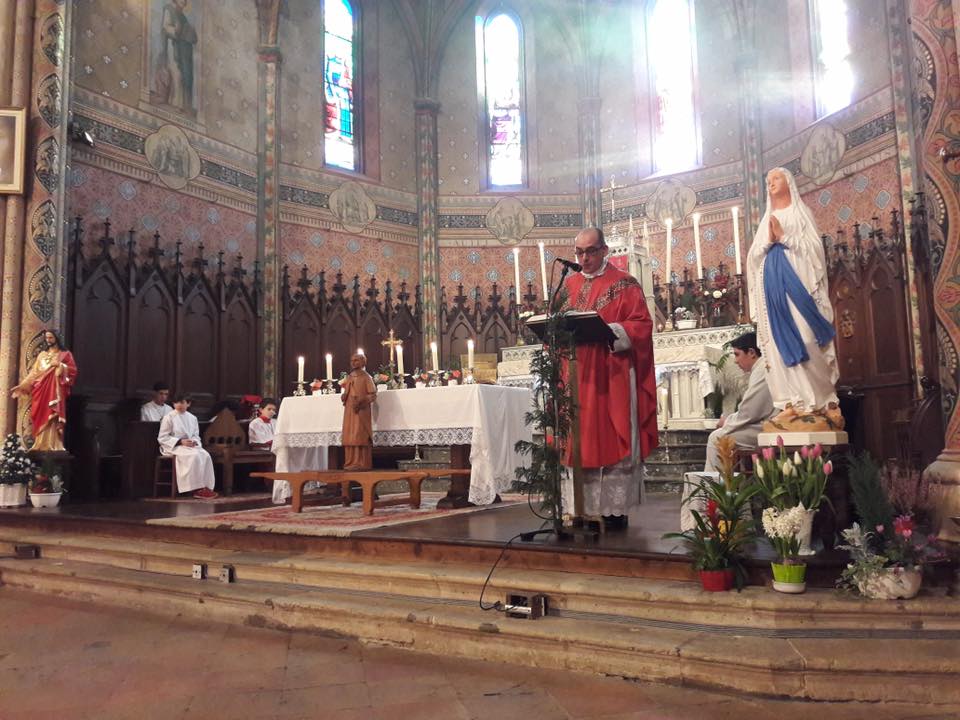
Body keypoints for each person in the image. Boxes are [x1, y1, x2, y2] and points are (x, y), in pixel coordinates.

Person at [560, 227, 658, 529]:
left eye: (590, 251)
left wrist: (611, 331)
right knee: (579, 440)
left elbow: (641, 325)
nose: (584, 258)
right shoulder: (567, 285)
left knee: (614, 436)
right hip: (576, 375)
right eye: (579, 252)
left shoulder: (625, 284)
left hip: (612, 373)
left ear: (604, 250)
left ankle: (614, 511)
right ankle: (581, 508)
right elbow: (557, 326)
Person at [747, 167, 842, 431]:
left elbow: (815, 250)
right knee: (777, 347)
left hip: (798, 288)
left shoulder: (801, 213)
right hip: (773, 292)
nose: (770, 183)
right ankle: (791, 402)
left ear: (789, 182)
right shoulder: (766, 219)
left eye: (776, 178)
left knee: (807, 337)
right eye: (767, 180)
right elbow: (753, 257)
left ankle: (822, 401)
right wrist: (768, 241)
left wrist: (784, 237)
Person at [704, 332, 774, 472]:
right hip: (767, 424)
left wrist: (727, 421)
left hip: (770, 427)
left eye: (737, 354)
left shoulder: (762, 369)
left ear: (752, 352)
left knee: (717, 438)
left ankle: (714, 485)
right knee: (720, 436)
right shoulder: (760, 368)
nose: (735, 361)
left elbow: (750, 411)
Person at [11, 330, 78, 452]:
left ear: (57, 338)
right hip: (41, 390)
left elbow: (72, 371)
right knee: (40, 414)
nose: (48, 340)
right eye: (47, 338)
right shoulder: (42, 355)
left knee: (52, 414)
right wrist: (22, 385)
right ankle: (40, 444)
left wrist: (60, 366)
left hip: (55, 391)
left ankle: (53, 444)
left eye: (51, 337)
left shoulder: (65, 355)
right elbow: (34, 373)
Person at [157, 393, 217, 499]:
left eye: (182, 402)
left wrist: (193, 442)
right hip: (174, 446)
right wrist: (180, 442)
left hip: (189, 446)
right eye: (176, 402)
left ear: (188, 404)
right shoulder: (169, 417)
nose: (179, 405)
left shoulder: (192, 418)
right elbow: (162, 437)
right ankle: (195, 489)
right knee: (194, 456)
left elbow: (195, 435)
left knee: (205, 455)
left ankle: (206, 487)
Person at [341, 352, 377, 471]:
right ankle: (350, 461)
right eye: (352, 360)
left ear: (363, 362)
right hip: (350, 410)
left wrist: (362, 401)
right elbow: (347, 392)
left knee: (360, 434)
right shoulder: (350, 377)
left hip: (361, 410)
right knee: (350, 435)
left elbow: (373, 395)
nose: (353, 362)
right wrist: (344, 396)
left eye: (356, 360)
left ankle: (362, 463)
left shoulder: (366, 377)